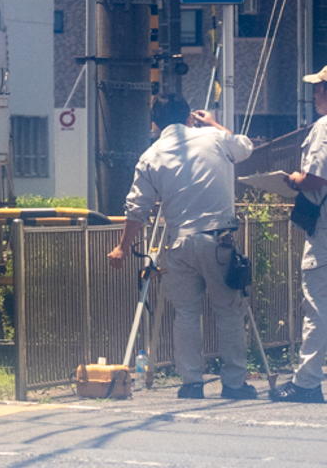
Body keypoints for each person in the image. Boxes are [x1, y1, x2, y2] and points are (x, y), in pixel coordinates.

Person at [107, 94, 257, 400]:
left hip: (177, 242)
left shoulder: (151, 155)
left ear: (154, 123)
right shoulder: (214, 137)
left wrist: (122, 247)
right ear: (189, 116)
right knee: (228, 312)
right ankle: (234, 383)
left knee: (186, 314)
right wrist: (214, 123)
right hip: (218, 240)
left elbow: (137, 208)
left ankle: (191, 382)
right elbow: (245, 147)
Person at [271, 67, 327, 403]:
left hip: (324, 231)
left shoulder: (324, 128)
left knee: (318, 306)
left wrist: (294, 179)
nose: (314, 94)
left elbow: (317, 179)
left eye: (318, 88)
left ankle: (306, 382)